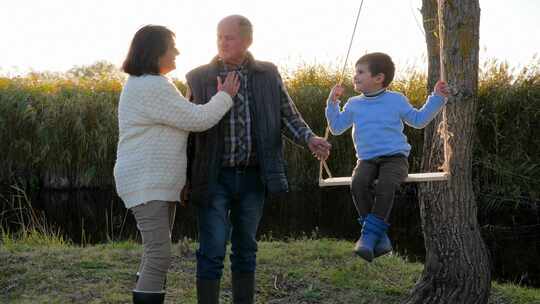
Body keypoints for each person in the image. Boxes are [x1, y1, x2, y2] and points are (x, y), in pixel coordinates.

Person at [184, 15, 331, 304]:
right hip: (213, 178)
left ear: (247, 41)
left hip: (254, 177)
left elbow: (288, 117)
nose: (223, 42)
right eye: (219, 37)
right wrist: (184, 178)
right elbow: (187, 131)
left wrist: (310, 138)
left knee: (245, 248)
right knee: (212, 248)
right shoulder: (198, 77)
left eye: (230, 37)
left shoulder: (268, 73)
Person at [113, 24, 240, 303]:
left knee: (154, 251)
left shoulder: (148, 84)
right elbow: (198, 120)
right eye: (172, 47)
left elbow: (181, 117)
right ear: (156, 52)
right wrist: (226, 96)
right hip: (146, 182)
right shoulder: (151, 85)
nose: (178, 52)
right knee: (159, 253)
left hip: (153, 183)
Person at [326, 52, 449, 262]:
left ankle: (368, 236)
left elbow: (418, 120)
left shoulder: (396, 99)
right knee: (358, 184)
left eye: (360, 72)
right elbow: (336, 127)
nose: (355, 76)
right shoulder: (354, 104)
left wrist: (437, 98)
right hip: (366, 159)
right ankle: (379, 237)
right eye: (356, 71)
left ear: (379, 78)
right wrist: (332, 103)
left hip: (395, 158)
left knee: (386, 185)